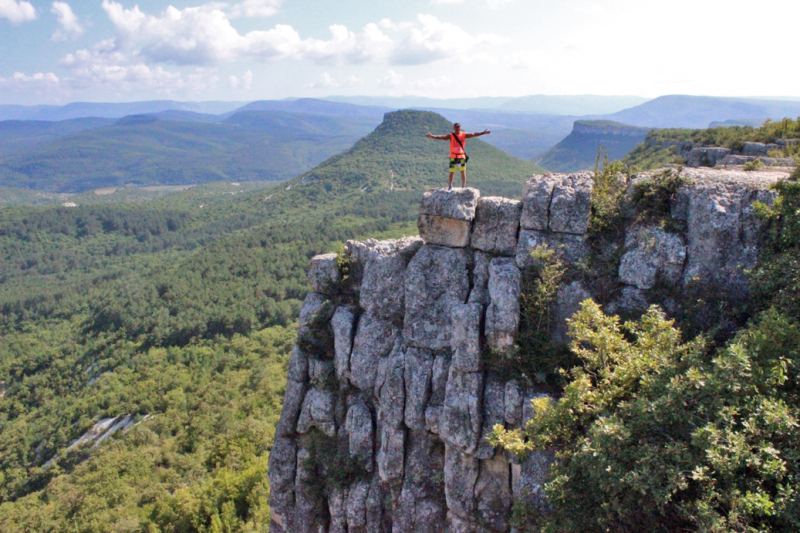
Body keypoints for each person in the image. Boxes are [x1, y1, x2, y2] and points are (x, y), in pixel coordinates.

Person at [425, 123, 490, 190]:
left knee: (463, 171)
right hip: (453, 156)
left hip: (461, 156)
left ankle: (463, 186)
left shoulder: (463, 134)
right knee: (452, 172)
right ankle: (450, 186)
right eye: (456, 127)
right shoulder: (451, 135)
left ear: (460, 127)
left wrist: (483, 132)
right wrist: (432, 136)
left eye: (458, 127)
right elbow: (442, 137)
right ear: (454, 128)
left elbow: (473, 134)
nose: (457, 128)